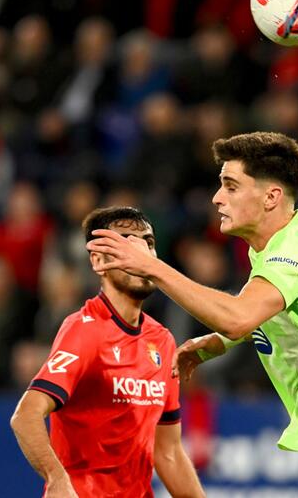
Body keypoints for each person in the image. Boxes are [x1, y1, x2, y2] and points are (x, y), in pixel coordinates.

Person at [86, 132, 298, 497]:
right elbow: (266, 309)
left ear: (271, 196)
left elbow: (240, 315)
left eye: (230, 186)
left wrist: (153, 267)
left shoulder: (296, 246)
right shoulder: (284, 241)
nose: (217, 198)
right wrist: (216, 343)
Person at [10, 207, 204, 498]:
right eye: (125, 242)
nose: (141, 252)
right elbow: (25, 416)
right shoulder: (84, 331)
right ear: (98, 261)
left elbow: (169, 453)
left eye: (148, 243)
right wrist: (57, 479)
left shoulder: (162, 340)